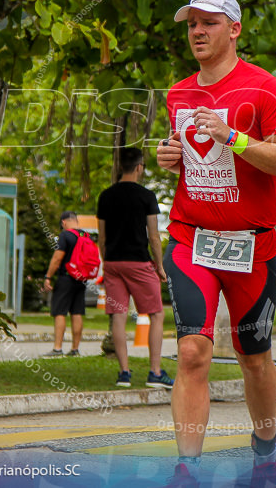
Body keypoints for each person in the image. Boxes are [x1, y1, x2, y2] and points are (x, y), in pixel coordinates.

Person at [156, 0, 276, 486]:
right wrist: (170, 157)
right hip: (191, 238)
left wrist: (234, 138)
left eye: (209, 23)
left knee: (253, 358)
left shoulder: (266, 90)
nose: (197, 31)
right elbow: (189, 159)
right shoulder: (178, 93)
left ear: (234, 29)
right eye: (191, 24)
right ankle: (186, 469)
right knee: (193, 351)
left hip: (251, 246)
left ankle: (265, 450)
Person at [96, 147, 172, 388]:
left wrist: (107, 261)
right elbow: (154, 236)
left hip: (113, 263)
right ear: (139, 167)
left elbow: (102, 237)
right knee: (156, 314)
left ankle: (124, 373)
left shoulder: (105, 196)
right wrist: (159, 265)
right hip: (139, 262)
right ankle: (155, 372)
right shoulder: (147, 196)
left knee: (118, 316)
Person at [43, 212, 90, 357]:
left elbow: (57, 258)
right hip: (81, 279)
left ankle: (57, 348)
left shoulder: (65, 235)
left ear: (63, 222)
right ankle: (75, 349)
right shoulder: (86, 236)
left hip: (66, 278)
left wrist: (48, 277)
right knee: (77, 312)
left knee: (60, 312)